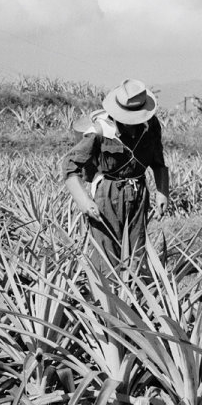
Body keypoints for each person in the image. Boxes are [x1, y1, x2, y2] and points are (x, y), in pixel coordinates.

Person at [62, 78, 169, 273]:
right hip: (108, 194)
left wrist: (162, 191)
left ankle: (133, 295)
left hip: (138, 191)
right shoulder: (99, 131)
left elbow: (158, 162)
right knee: (106, 253)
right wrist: (84, 201)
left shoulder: (151, 126)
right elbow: (70, 166)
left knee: (137, 248)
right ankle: (109, 298)